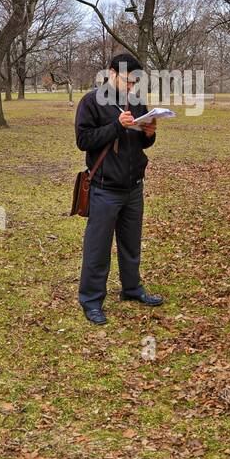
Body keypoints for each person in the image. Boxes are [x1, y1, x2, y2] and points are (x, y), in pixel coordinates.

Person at [74, 51, 164, 325]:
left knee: (131, 244)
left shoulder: (136, 101)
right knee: (97, 248)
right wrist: (116, 125)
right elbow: (84, 139)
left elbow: (139, 143)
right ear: (112, 73)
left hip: (133, 186)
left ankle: (132, 288)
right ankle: (91, 300)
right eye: (128, 80)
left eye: (136, 81)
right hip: (104, 188)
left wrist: (149, 134)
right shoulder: (91, 101)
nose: (131, 86)